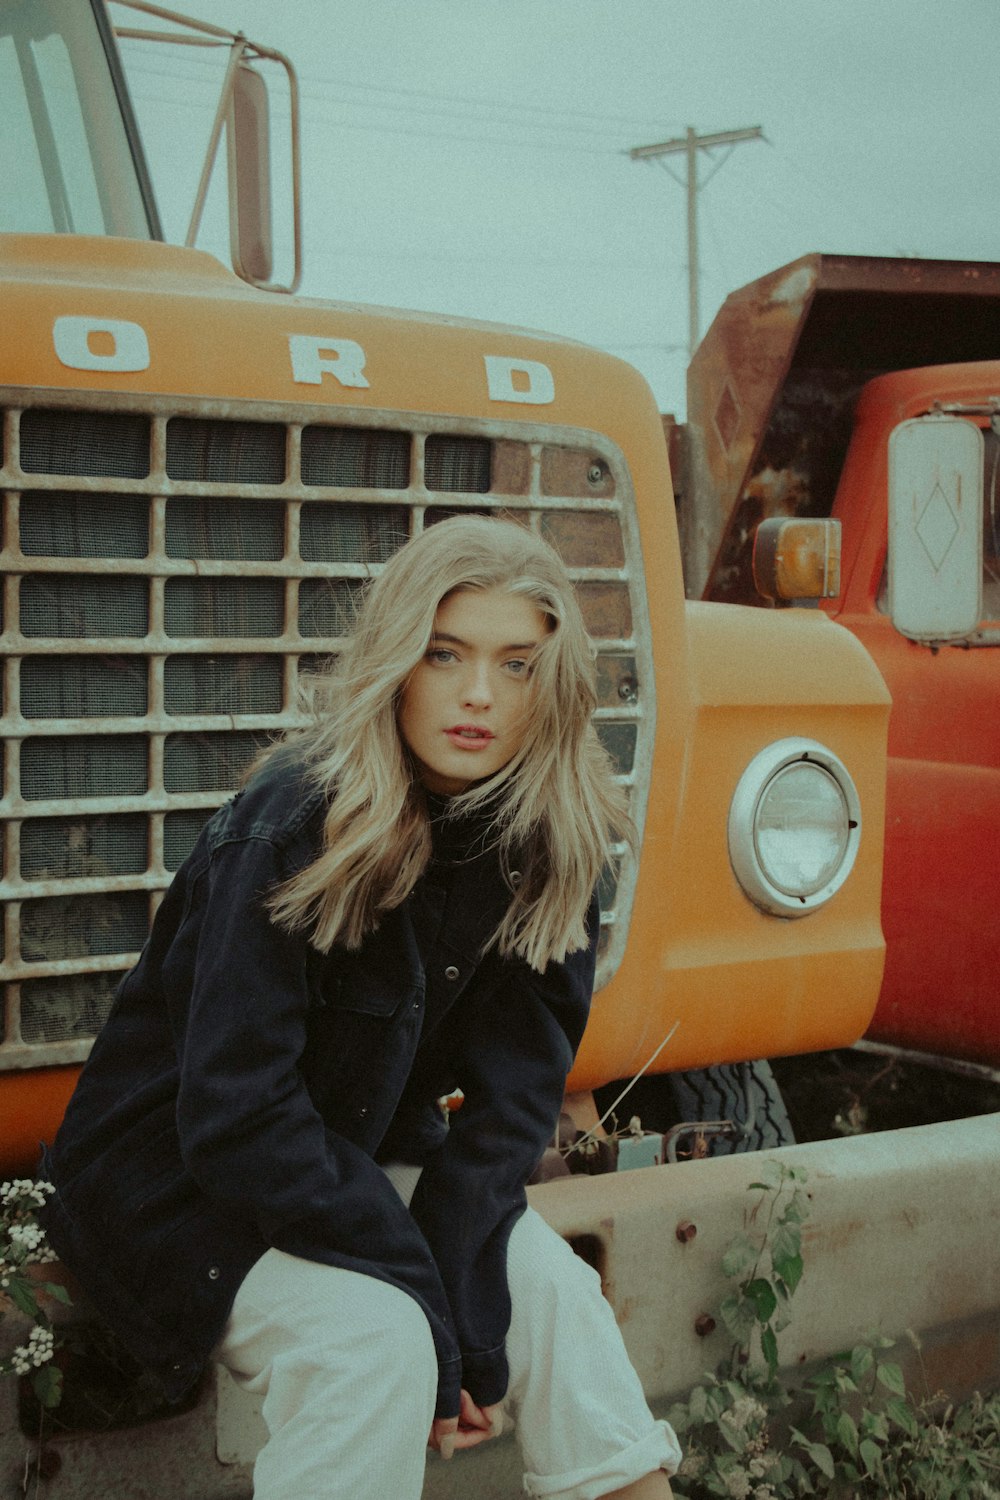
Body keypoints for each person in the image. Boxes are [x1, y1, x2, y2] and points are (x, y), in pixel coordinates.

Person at [40, 515, 680, 1499]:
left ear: (550, 687)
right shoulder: (295, 822)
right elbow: (236, 1114)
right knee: (377, 1343)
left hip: (345, 1156)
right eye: (445, 654)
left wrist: (466, 1282)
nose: (477, 694)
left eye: (516, 665)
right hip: (178, 1181)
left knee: (551, 1292)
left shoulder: (545, 839)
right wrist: (428, 1299)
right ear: (396, 659)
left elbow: (513, 1103)